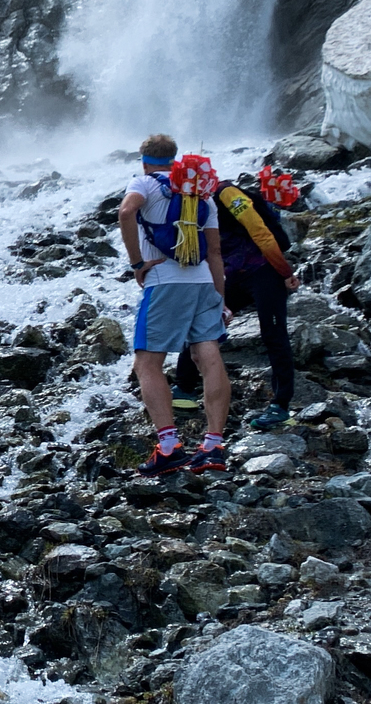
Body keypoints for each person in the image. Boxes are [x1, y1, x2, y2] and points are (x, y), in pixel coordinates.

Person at [118, 136, 232, 476]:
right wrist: (220, 298)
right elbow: (214, 252)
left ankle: (168, 447)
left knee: (148, 363)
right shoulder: (201, 194)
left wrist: (137, 263)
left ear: (144, 161)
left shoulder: (144, 183)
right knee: (208, 355)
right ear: (175, 160)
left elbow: (126, 211)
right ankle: (213, 446)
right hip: (202, 284)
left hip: (165, 282)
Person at [171, 167, 303, 429]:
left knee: (273, 333)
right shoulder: (188, 204)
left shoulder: (227, 193)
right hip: (231, 274)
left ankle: (281, 405)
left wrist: (285, 271)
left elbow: (260, 231)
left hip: (264, 269)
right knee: (202, 321)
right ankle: (184, 389)